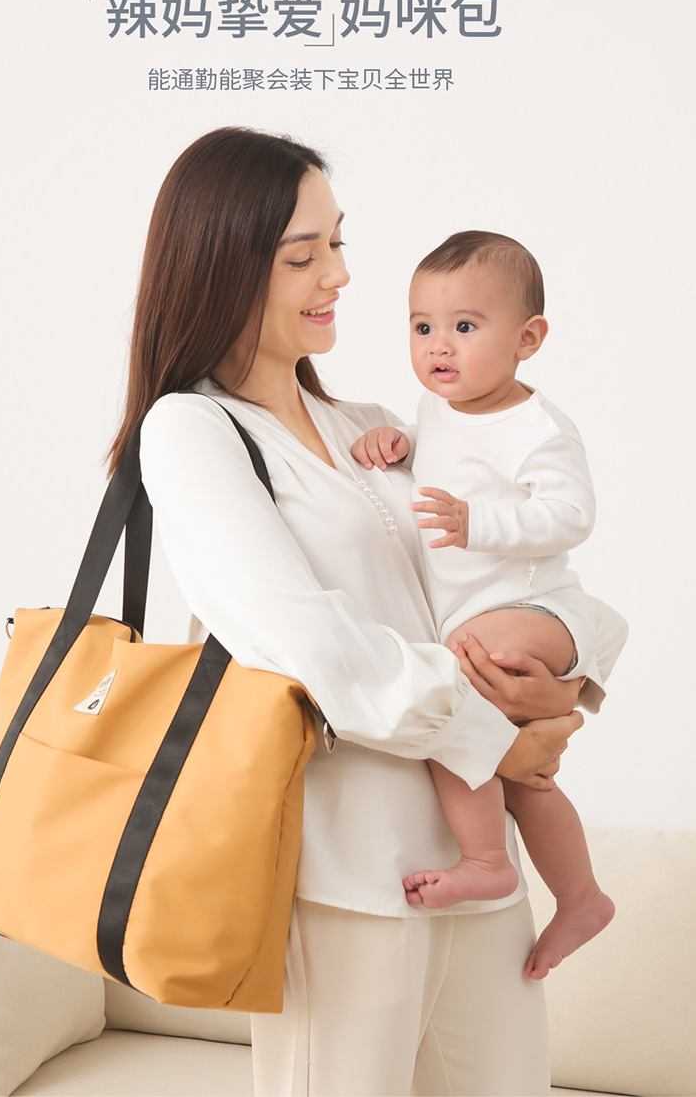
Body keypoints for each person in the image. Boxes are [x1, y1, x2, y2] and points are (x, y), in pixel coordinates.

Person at [108, 129, 623, 1097]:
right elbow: (315, 651)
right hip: (345, 879)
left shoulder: (376, 429)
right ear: (224, 264)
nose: (340, 275)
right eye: (303, 256)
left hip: (479, 867)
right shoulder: (191, 431)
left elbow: (524, 578)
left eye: (338, 243)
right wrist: (496, 736)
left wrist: (566, 683)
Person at [351, 230, 625, 980]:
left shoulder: (539, 429)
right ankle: (582, 897)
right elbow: (446, 453)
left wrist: (480, 524)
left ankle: (484, 861)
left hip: (537, 608)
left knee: (447, 696)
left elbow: (572, 515)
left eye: (465, 326)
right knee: (522, 776)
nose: (439, 345)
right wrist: (400, 441)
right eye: (423, 326)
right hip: (491, 619)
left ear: (527, 339)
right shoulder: (439, 407)